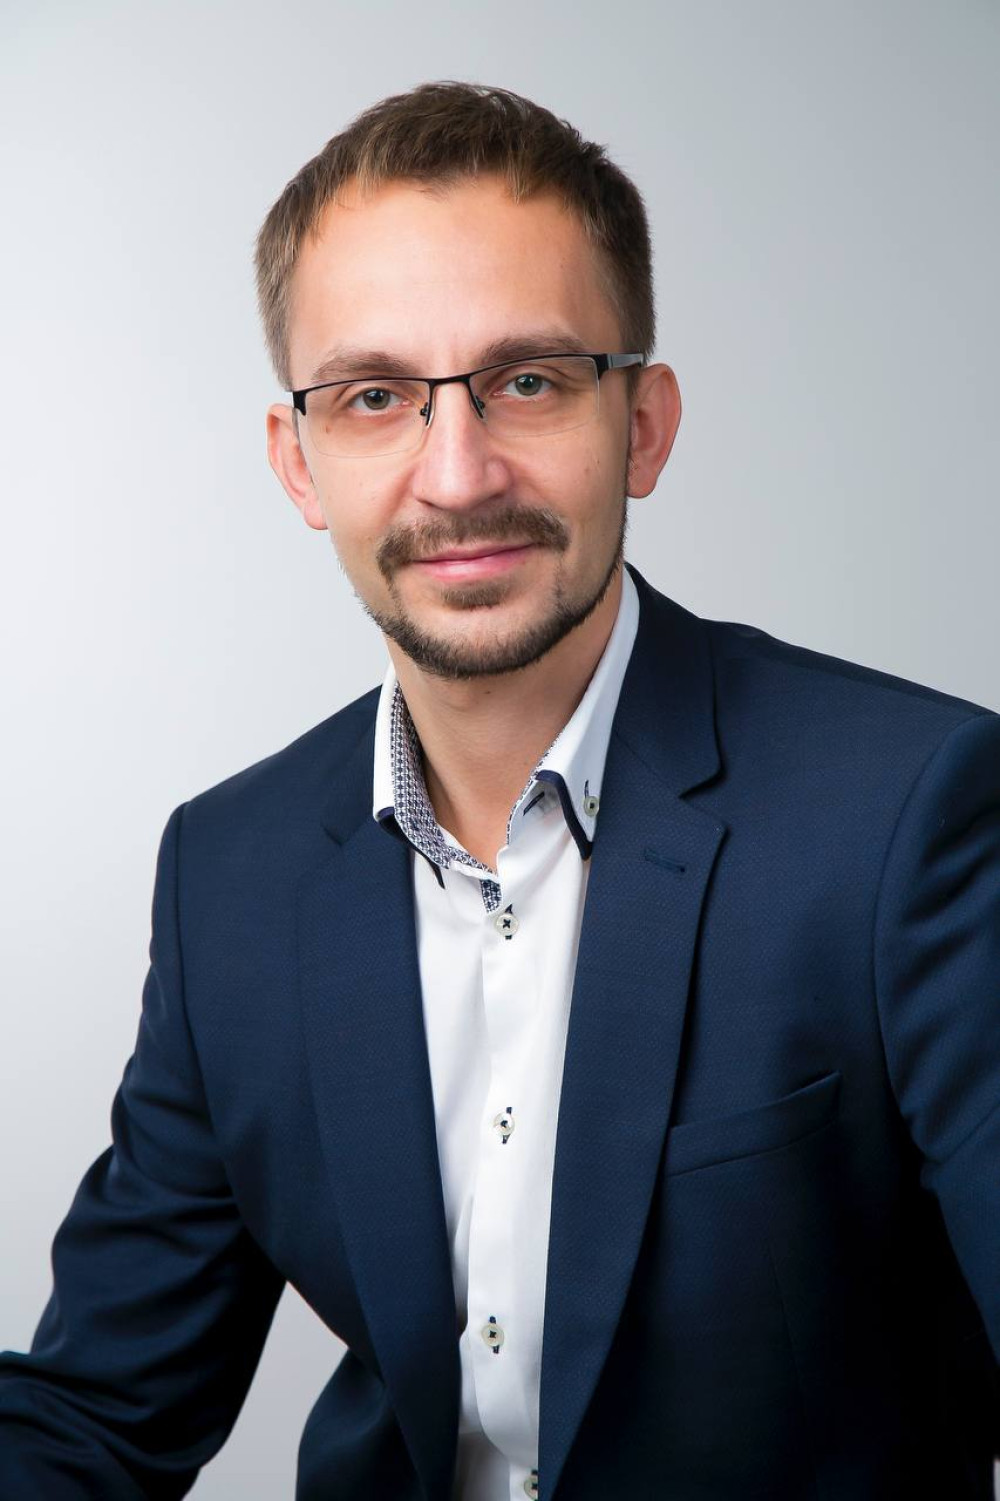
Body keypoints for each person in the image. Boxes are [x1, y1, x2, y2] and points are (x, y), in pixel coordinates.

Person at [1, 79, 998, 1501]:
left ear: (643, 424)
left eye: (527, 380)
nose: (457, 476)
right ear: (299, 462)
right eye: (375, 397)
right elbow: (95, 1418)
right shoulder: (230, 873)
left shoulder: (910, 817)